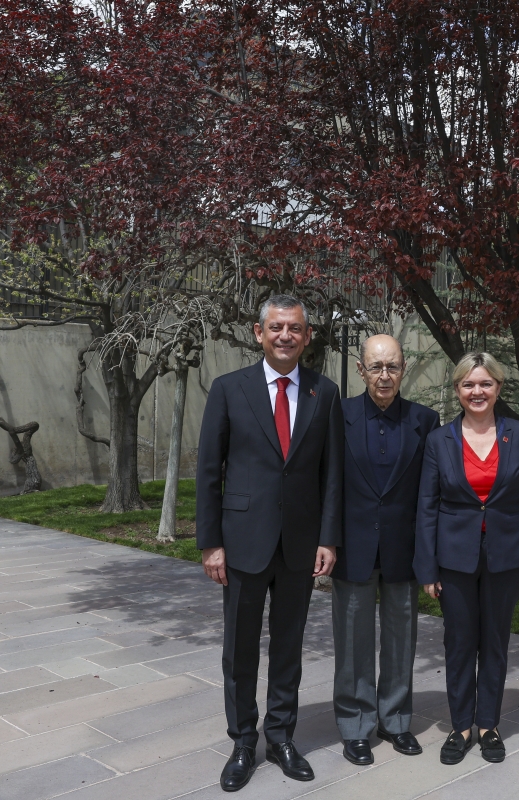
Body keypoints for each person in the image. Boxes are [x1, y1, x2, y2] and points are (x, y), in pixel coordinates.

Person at [195, 294, 344, 793]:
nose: (286, 336)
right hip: (242, 543)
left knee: (288, 647)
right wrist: (210, 543)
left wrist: (329, 538)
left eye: (295, 328)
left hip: (301, 544)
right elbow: (208, 471)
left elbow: (332, 475)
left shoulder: (326, 392)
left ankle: (280, 736)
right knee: (239, 649)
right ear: (259, 333)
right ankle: (242, 741)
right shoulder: (228, 389)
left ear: (307, 336)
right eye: (277, 327)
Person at [414, 352, 519, 766]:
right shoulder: (439, 440)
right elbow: (427, 508)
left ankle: (488, 724)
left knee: (495, 642)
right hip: (454, 559)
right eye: (469, 385)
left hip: (506, 555)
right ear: (457, 390)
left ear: (498, 388)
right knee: (459, 643)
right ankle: (461, 726)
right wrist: (428, 567)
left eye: (485, 384)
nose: (477, 391)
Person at [331, 334, 440, 766]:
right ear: (360, 369)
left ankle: (395, 720)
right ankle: (355, 724)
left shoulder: (425, 421)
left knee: (401, 639)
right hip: (352, 547)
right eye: (375, 367)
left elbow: (439, 485)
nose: (384, 375)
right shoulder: (337, 417)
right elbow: (326, 486)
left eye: (392, 366)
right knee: (353, 641)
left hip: (404, 548)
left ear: (404, 368)